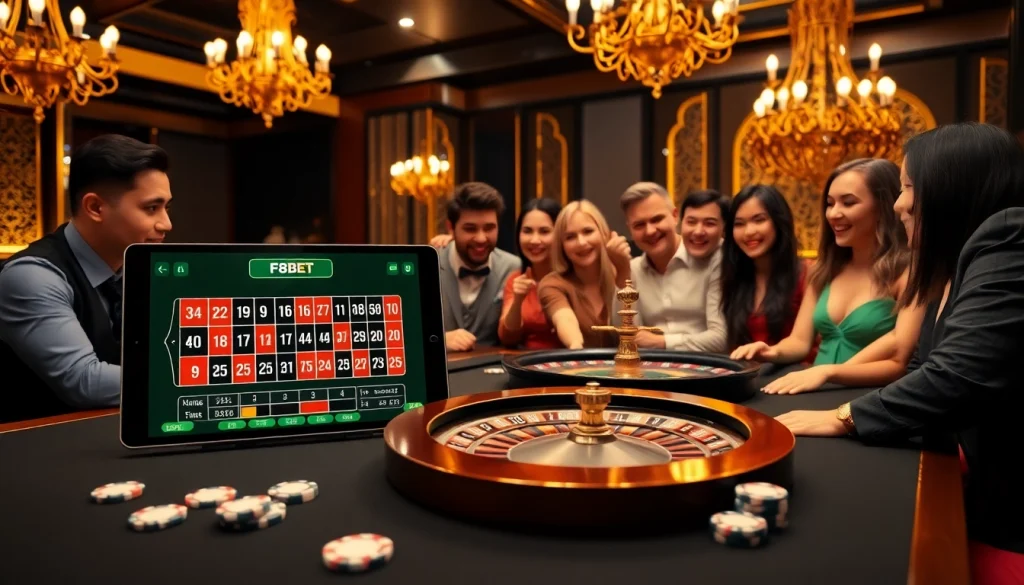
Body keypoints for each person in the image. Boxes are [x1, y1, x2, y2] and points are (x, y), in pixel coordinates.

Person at [777, 122, 1024, 585]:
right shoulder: (953, 264)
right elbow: (922, 366)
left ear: (953, 188)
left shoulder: (1008, 237)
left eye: (910, 187)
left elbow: (955, 375)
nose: (900, 204)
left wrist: (843, 416)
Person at [0, 134, 173, 422]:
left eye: (166, 207)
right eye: (151, 208)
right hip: (35, 450)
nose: (166, 223)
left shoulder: (140, 265)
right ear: (94, 207)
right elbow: (84, 381)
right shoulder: (31, 276)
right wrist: (198, 377)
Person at [730, 159, 911, 370]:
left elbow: (900, 361)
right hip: (817, 391)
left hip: (869, 397)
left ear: (883, 206)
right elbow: (799, 342)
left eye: (848, 202)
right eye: (830, 203)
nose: (833, 214)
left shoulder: (907, 273)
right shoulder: (825, 269)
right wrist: (772, 351)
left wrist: (830, 374)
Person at [606, 184, 728, 352]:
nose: (650, 231)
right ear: (630, 229)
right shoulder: (632, 269)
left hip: (707, 370)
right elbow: (626, 339)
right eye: (639, 225)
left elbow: (720, 339)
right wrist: (622, 274)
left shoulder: (715, 257)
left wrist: (661, 342)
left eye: (657, 219)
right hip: (652, 372)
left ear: (675, 216)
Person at [720, 184, 809, 350]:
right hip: (750, 373)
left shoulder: (806, 274)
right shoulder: (734, 277)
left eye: (759, 220)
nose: (749, 231)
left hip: (797, 372)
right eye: (739, 224)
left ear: (779, 222)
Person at [437, 182, 520, 351]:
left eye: (489, 228)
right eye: (470, 229)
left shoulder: (512, 267)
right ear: (451, 228)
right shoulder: (430, 264)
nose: (481, 238)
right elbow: (404, 330)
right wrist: (439, 339)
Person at [538, 200, 618, 349]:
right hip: (579, 367)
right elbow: (564, 319)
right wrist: (575, 345)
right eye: (570, 237)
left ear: (604, 234)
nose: (581, 242)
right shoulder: (552, 284)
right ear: (561, 245)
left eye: (588, 231)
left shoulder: (625, 274)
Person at [497, 198, 562, 349]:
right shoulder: (516, 278)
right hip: (528, 364)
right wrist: (518, 300)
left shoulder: (575, 276)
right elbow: (507, 338)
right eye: (527, 231)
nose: (534, 240)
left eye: (544, 231)